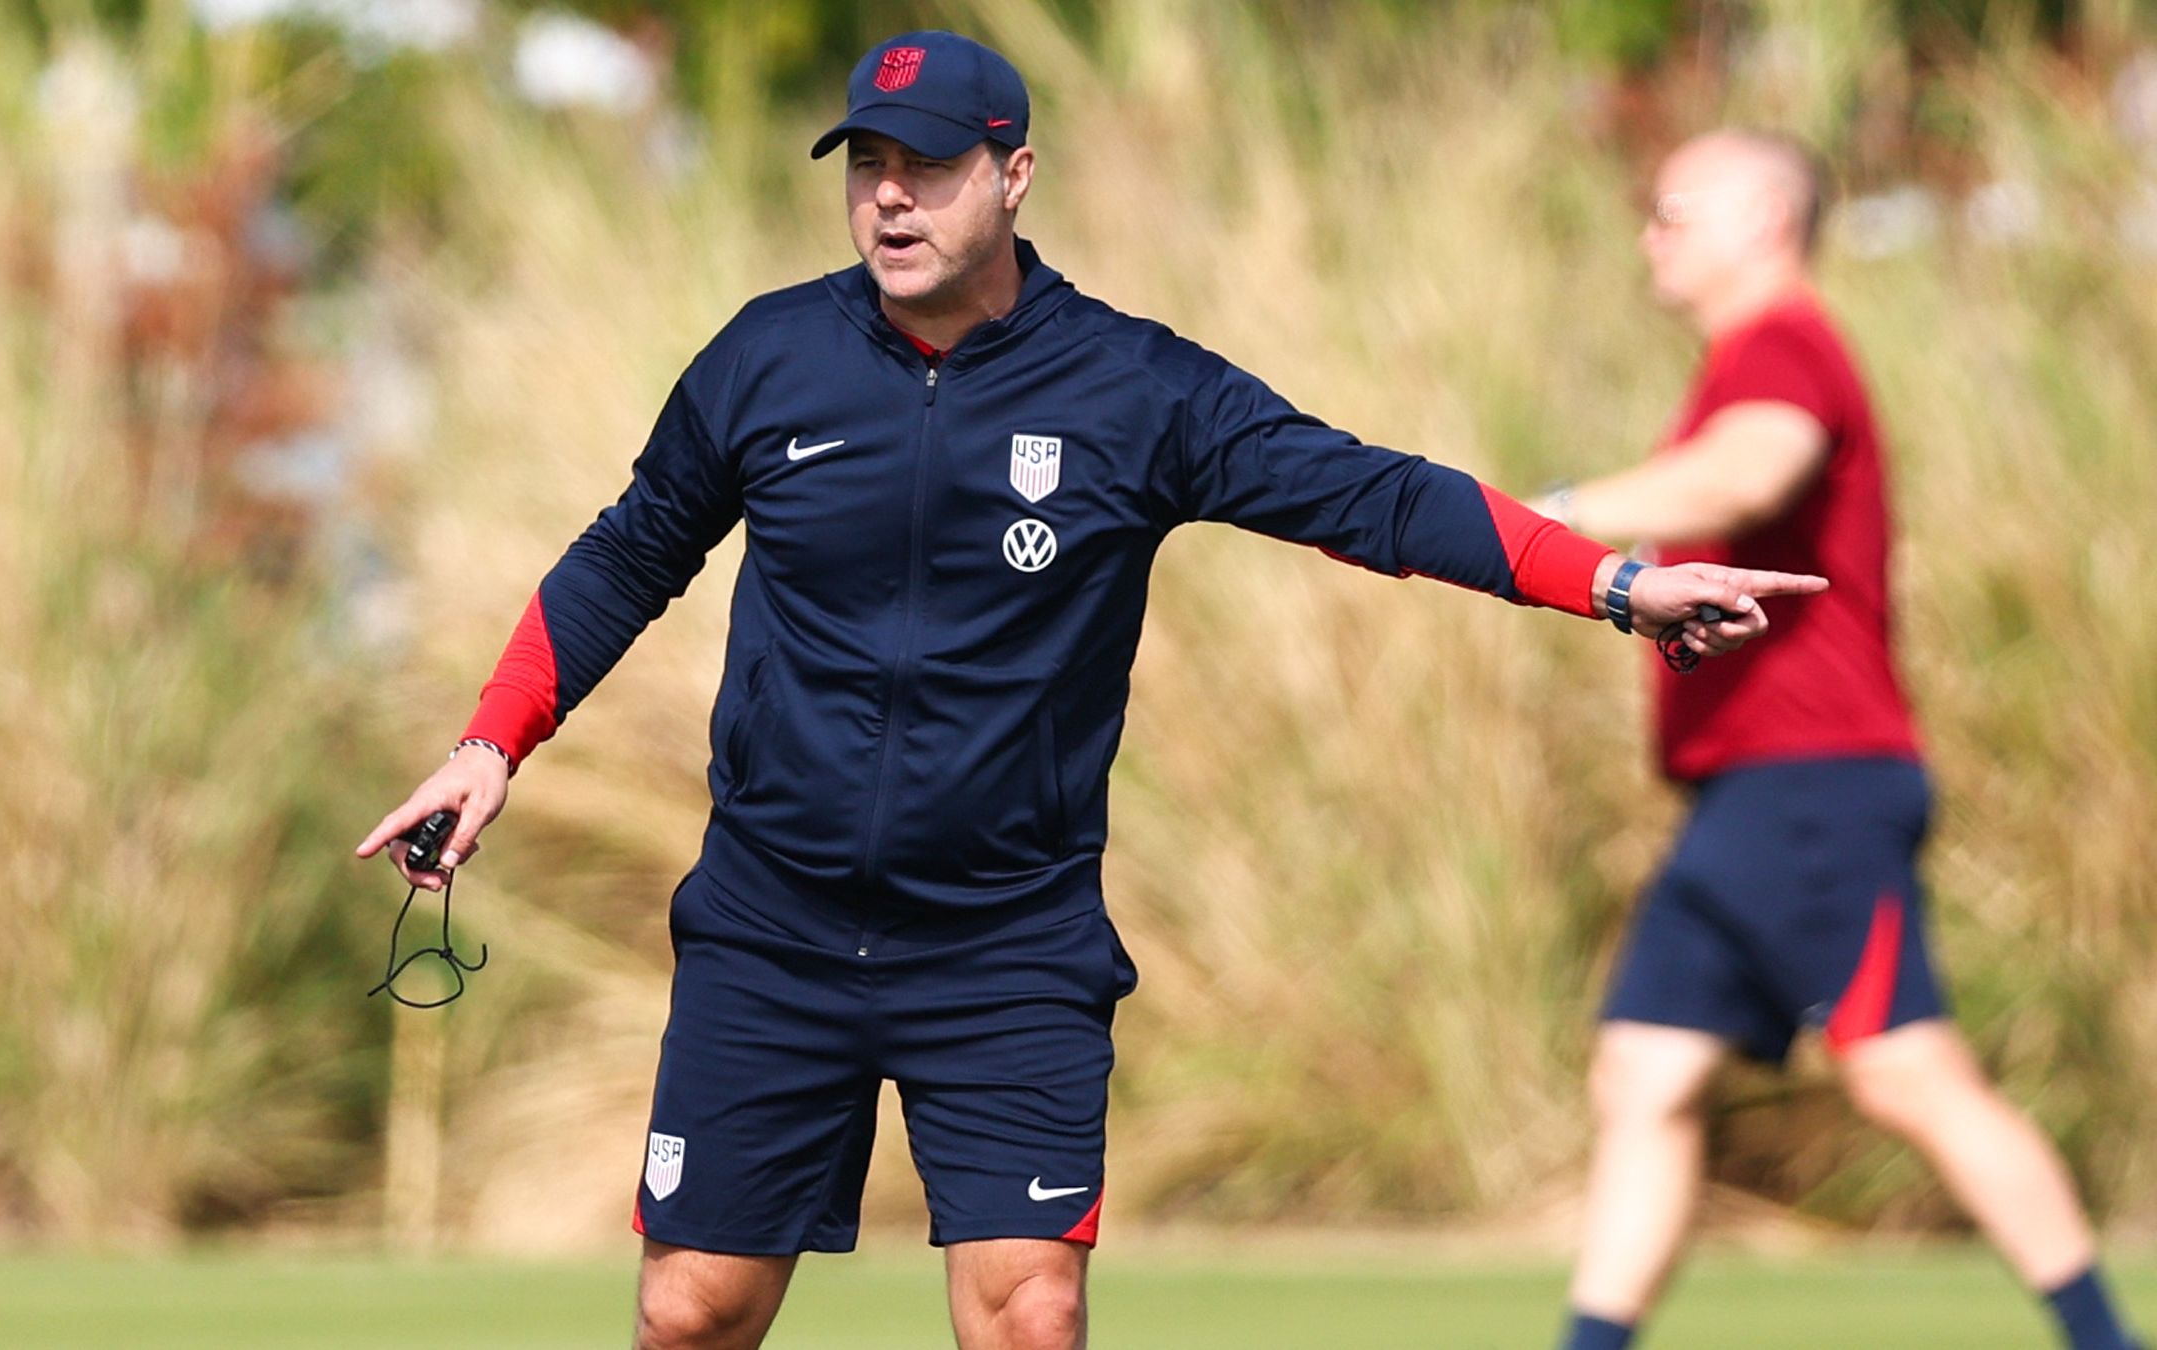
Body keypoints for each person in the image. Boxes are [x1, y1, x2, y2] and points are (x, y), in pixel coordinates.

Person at [358, 36, 1817, 1350]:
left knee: (1030, 1313)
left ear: (1014, 175)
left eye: (930, 164)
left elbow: (1371, 494)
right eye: (867, 164)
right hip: (772, 925)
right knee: (693, 1311)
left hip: (1007, 941)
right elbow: (625, 557)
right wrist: (493, 742)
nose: (890, 196)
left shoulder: (1135, 387)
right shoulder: (768, 356)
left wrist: (1612, 583)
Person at [1544, 130, 2145, 1350]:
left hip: (1812, 786)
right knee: (1646, 1075)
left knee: (1905, 1074)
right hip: (1742, 798)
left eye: (1673, 211)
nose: (1649, 235)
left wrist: (1543, 522)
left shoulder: (1784, 346)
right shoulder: (1742, 359)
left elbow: (1746, 475)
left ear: (1766, 219)